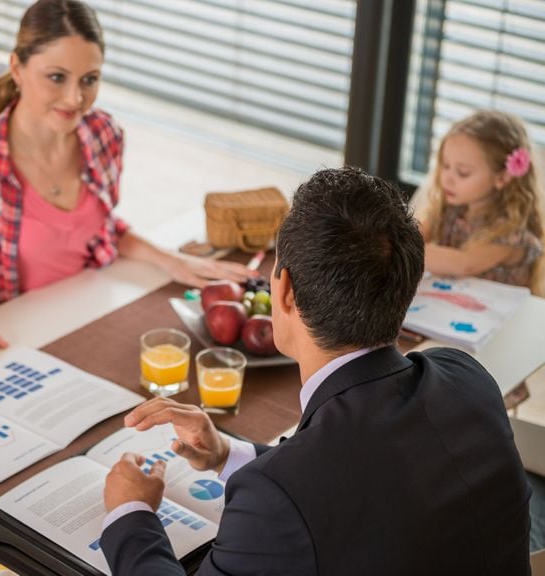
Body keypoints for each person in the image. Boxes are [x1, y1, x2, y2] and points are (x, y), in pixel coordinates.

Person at [100, 167, 531, 575]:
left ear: (283, 291)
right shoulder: (465, 377)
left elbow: (314, 486)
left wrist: (130, 513)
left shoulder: (276, 499)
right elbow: (366, 483)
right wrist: (227, 454)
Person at [0, 0, 253, 371]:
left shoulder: (104, 135)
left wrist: (170, 260)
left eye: (90, 79)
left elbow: (98, 229)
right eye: (57, 77)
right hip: (8, 336)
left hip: (85, 313)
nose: (76, 99)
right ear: (17, 68)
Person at [416, 109, 544, 294]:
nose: (447, 178)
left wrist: (403, 249)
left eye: (463, 172)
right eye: (445, 165)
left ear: (501, 178)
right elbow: (415, 234)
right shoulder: (450, 210)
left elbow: (464, 264)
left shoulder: (511, 234)